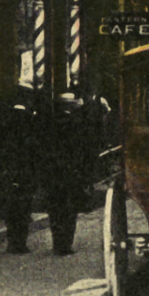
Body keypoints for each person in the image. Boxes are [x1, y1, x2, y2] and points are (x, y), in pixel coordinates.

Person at [43, 92, 97, 255]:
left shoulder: (49, 124)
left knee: (55, 210)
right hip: (71, 174)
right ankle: (66, 244)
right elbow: (83, 151)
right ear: (70, 107)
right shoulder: (77, 124)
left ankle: (57, 243)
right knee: (69, 210)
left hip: (53, 174)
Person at [0, 87, 41, 254]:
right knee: (23, 207)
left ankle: (13, 240)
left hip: (9, 170)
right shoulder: (29, 124)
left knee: (12, 207)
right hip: (24, 170)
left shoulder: (4, 123)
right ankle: (19, 242)